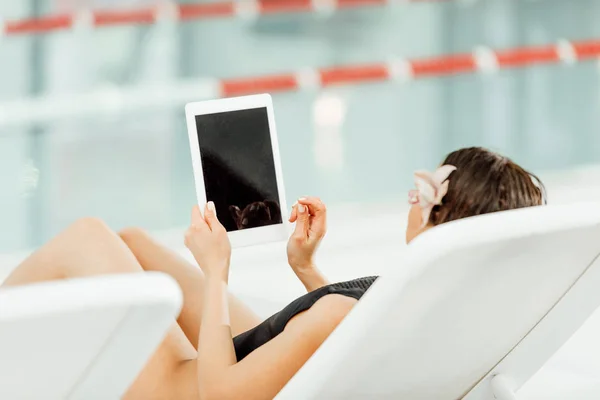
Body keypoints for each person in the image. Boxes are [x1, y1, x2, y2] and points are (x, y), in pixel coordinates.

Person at [0, 147, 545, 400]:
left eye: (425, 192)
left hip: (191, 388)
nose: (412, 195)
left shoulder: (343, 312)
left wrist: (216, 271)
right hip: (280, 357)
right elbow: (358, 340)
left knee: (89, 236)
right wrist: (308, 269)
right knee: (134, 243)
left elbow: (218, 394)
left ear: (446, 219)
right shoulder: (454, 304)